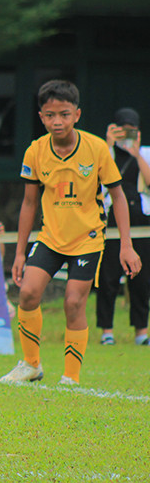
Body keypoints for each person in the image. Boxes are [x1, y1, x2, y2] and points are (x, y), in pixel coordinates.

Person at [0, 80, 141, 387]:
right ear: (41, 117)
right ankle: (31, 365)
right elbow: (28, 203)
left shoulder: (96, 148)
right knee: (27, 293)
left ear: (77, 114)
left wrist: (126, 246)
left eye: (64, 114)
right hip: (50, 238)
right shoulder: (35, 151)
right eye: (50, 115)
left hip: (87, 239)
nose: (57, 121)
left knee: (74, 302)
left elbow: (117, 197)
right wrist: (20, 252)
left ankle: (70, 378)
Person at [96, 107, 150, 346]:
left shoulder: (145, 154)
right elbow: (101, 181)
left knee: (141, 279)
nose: (126, 135)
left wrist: (137, 153)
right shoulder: (103, 153)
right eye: (122, 130)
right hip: (111, 221)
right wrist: (108, 146)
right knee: (107, 278)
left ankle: (141, 331)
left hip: (141, 221)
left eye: (131, 131)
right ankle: (106, 331)